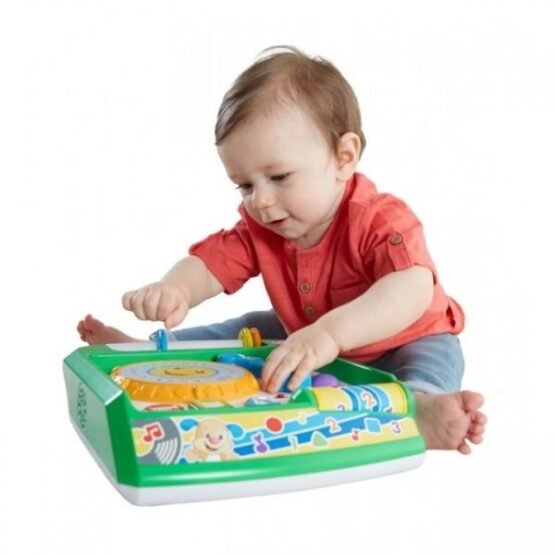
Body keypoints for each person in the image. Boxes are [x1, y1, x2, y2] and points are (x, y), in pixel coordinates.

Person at [78, 46, 486, 454]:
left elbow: (410, 290)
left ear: (343, 157)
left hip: (406, 340)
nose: (260, 201)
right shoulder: (262, 225)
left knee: (433, 358)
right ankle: (154, 354)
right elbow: (210, 264)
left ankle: (419, 408)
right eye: (245, 185)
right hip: (305, 336)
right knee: (248, 328)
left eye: (278, 177)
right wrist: (176, 289)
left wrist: (328, 335)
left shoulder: (381, 220)